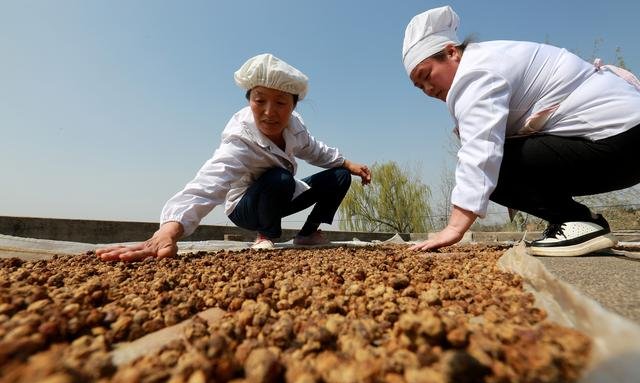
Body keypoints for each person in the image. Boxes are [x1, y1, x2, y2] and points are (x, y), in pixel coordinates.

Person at [402, 5, 640, 256]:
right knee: (495, 168)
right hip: (624, 141)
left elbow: (480, 152)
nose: (428, 89)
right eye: (420, 86)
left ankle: (580, 222)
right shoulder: (489, 57)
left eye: (427, 74)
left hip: (622, 141)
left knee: (494, 168)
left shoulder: (475, 74)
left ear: (452, 53)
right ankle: (580, 221)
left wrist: (454, 228)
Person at [97, 53, 371, 261]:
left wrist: (348, 164)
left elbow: (315, 150)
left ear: (293, 105)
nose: (269, 112)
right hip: (245, 207)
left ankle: (308, 235)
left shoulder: (295, 126)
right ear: (249, 99)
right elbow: (209, 183)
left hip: (280, 196)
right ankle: (265, 235)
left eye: (280, 103)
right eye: (260, 100)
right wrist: (169, 230)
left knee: (337, 176)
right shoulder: (241, 137)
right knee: (279, 177)